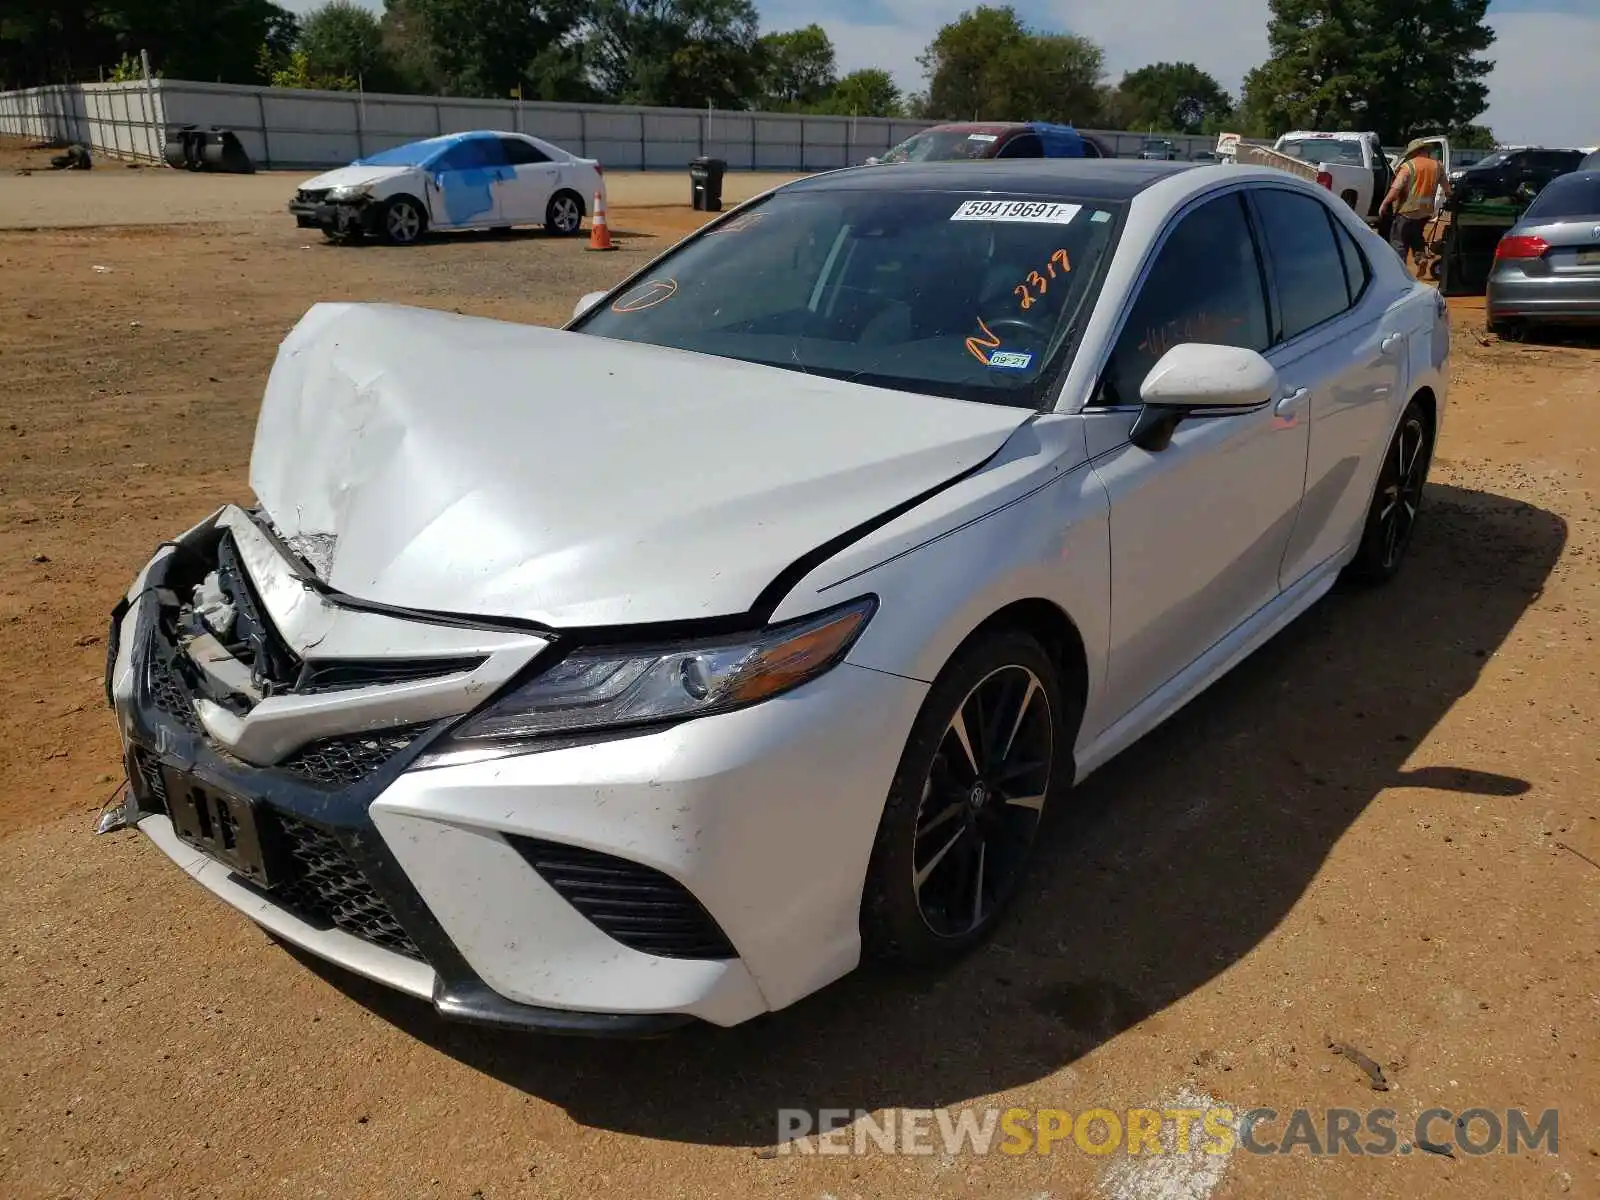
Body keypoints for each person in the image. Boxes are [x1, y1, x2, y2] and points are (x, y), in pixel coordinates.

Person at [1379, 140, 1449, 274]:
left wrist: (1385, 204)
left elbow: (1396, 189)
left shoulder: (1408, 166)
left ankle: (1399, 272)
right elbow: (1447, 188)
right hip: (1425, 211)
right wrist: (1451, 197)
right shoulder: (1437, 166)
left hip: (1407, 210)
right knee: (1416, 236)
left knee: (1399, 241)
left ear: (1415, 151)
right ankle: (1421, 258)